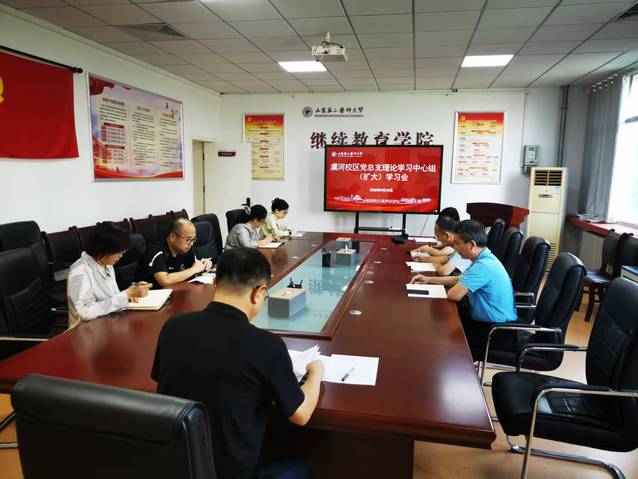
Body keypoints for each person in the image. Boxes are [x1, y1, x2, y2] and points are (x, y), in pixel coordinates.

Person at [151, 248, 324, 479]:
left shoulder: (172, 326)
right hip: (230, 473)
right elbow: (300, 414)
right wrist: (316, 371)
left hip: (176, 466)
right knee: (301, 467)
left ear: (214, 284)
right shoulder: (267, 345)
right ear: (259, 293)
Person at [411, 219, 516, 359]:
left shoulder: (483, 266)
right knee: (440, 324)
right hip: (491, 325)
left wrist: (440, 283)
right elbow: (460, 279)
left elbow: (454, 295)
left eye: (458, 243)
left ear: (471, 245)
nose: (455, 247)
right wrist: (429, 279)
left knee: (438, 334)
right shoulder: (484, 258)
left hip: (495, 333)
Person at [67, 221, 151, 329]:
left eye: (122, 251)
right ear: (104, 249)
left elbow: (111, 298)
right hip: (86, 331)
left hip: (109, 323)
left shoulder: (107, 264)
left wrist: (131, 294)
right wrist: (125, 295)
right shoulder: (80, 270)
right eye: (118, 252)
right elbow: (84, 312)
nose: (121, 256)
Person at [136, 218, 213, 288]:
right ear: (172, 237)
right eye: (188, 239)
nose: (191, 244)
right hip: (152, 297)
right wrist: (193, 269)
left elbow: (195, 267)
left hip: (178, 292)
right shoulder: (155, 252)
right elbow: (165, 281)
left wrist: (204, 264)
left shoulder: (185, 249)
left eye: (193, 239)